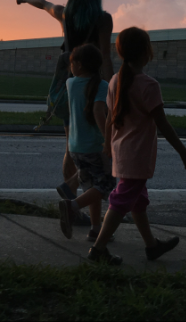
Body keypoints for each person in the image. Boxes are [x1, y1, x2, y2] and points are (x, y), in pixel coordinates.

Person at [88, 27, 186, 266]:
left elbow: (109, 117)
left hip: (122, 152)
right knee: (121, 201)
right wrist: (183, 151)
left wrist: (108, 143)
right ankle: (98, 249)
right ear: (146, 52)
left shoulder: (115, 81)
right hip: (137, 156)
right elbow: (162, 124)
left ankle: (152, 246)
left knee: (137, 200)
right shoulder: (149, 85)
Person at [16, 0, 114, 200]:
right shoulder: (103, 20)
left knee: (72, 147)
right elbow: (106, 57)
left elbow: (44, 4)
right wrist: (113, 89)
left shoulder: (64, 15)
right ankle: (91, 199)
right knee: (99, 145)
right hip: (94, 90)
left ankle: (72, 200)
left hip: (71, 88)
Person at [58, 43, 116, 242]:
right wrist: (108, 141)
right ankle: (71, 206)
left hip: (75, 147)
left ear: (80, 65)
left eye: (72, 63)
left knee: (92, 188)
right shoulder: (102, 85)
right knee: (106, 184)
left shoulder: (70, 84)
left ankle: (95, 229)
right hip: (94, 146)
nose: (70, 67)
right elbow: (99, 112)